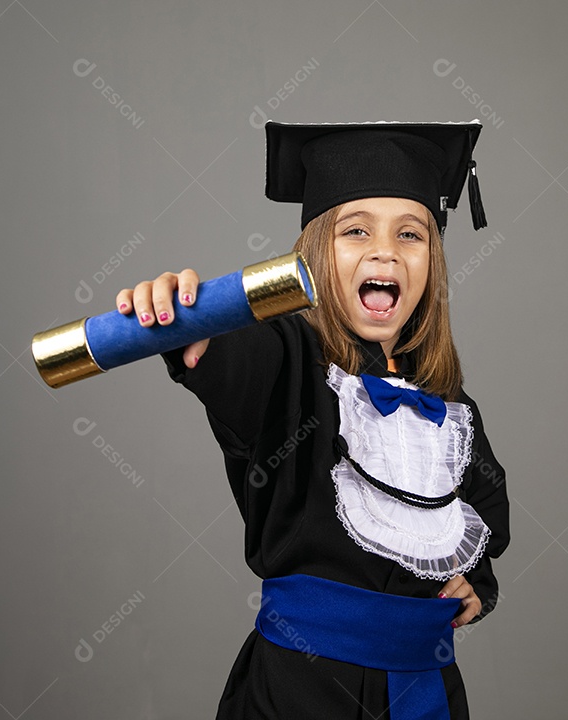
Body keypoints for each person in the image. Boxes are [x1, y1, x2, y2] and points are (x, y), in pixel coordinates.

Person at [116, 121, 510, 719]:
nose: (385, 251)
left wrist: (476, 588)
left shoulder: (452, 408)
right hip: (301, 692)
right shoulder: (288, 361)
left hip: (424, 693)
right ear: (316, 253)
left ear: (432, 262)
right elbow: (233, 362)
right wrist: (193, 327)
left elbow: (485, 517)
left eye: (411, 234)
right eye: (356, 231)